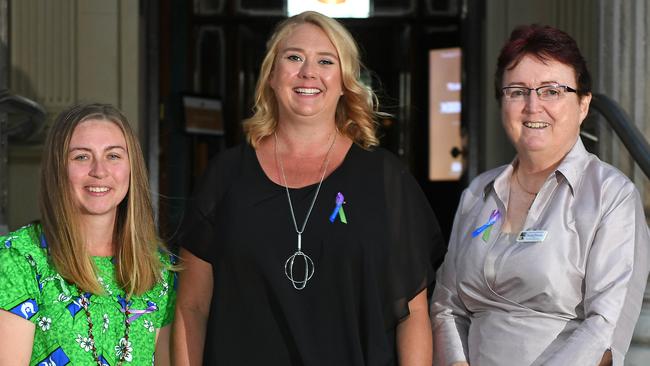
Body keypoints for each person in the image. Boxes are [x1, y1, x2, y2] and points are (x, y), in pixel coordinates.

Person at [173, 10, 443, 366]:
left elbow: (411, 314)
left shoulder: (385, 178)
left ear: (346, 80)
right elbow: (192, 308)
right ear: (271, 74)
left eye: (326, 61)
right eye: (294, 57)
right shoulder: (226, 176)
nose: (308, 72)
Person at [430, 24, 650, 366]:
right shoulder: (478, 193)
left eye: (552, 91)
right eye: (517, 91)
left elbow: (605, 328)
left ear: (583, 105)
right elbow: (446, 305)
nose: (533, 106)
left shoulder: (611, 195)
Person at [0, 103, 176, 365]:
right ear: (57, 169)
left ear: (132, 168)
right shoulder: (19, 260)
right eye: (81, 156)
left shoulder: (159, 270)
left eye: (113, 156)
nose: (99, 171)